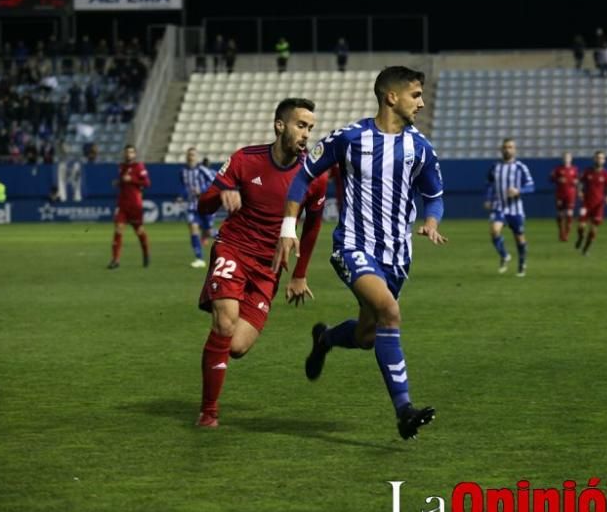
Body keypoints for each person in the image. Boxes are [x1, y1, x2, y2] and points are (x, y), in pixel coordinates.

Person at [272, 66, 446, 440]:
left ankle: (325, 340)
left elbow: (433, 196)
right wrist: (289, 227)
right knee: (389, 311)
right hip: (353, 246)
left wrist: (431, 221)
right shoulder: (350, 138)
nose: (421, 102)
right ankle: (404, 410)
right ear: (391, 97)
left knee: (369, 335)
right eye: (415, 95)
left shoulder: (421, 147)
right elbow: (303, 176)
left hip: (398, 257)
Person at [195, 98, 329, 428]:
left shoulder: (314, 176)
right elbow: (203, 206)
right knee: (225, 323)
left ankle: (215, 360)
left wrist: (299, 274)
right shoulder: (245, 159)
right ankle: (208, 412)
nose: (306, 134)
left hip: (269, 267)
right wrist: (221, 196)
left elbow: (313, 225)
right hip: (233, 250)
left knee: (237, 346)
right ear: (279, 125)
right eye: (301, 125)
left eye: (310, 128)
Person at [486, 138, 535, 275]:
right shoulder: (495, 167)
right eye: (505, 147)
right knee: (494, 231)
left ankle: (522, 263)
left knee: (519, 237)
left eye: (510, 147)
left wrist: (519, 191)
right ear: (501, 149)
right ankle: (504, 255)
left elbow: (531, 186)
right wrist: (488, 199)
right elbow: (489, 184)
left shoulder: (520, 167)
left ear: (514, 150)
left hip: (515, 209)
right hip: (499, 206)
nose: (508, 149)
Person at [108, 145, 151, 269]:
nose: (128, 154)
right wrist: (119, 182)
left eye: (131, 152)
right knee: (118, 230)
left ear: (135, 154)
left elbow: (147, 183)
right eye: (127, 152)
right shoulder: (121, 167)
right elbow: (123, 182)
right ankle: (115, 260)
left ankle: (146, 254)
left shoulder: (139, 167)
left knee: (139, 231)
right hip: (122, 204)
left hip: (135, 205)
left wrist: (131, 179)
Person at [179, 147, 218, 268]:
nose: (191, 157)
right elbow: (183, 186)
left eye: (193, 155)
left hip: (205, 204)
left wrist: (201, 190)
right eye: (189, 155)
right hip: (192, 206)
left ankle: (231, 242)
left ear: (197, 157)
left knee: (209, 232)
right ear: (186, 156)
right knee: (193, 227)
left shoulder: (202, 170)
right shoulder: (182, 171)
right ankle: (199, 258)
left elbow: (215, 182)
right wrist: (181, 196)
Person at [576, 150, 607, 255]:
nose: (599, 160)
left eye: (601, 158)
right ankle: (580, 237)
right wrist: (579, 191)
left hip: (598, 205)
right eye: (598, 158)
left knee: (593, 229)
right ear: (594, 159)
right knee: (581, 226)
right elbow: (580, 183)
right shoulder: (587, 171)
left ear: (604, 160)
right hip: (586, 203)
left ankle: (586, 249)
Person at [549, 151, 578, 241]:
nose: (566, 159)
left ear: (571, 159)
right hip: (560, 194)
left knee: (569, 213)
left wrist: (576, 183)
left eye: (568, 157)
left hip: (571, 194)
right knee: (560, 214)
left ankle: (566, 234)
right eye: (565, 157)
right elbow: (551, 178)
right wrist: (558, 179)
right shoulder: (558, 169)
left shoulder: (574, 169)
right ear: (563, 159)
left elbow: (578, 180)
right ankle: (561, 231)